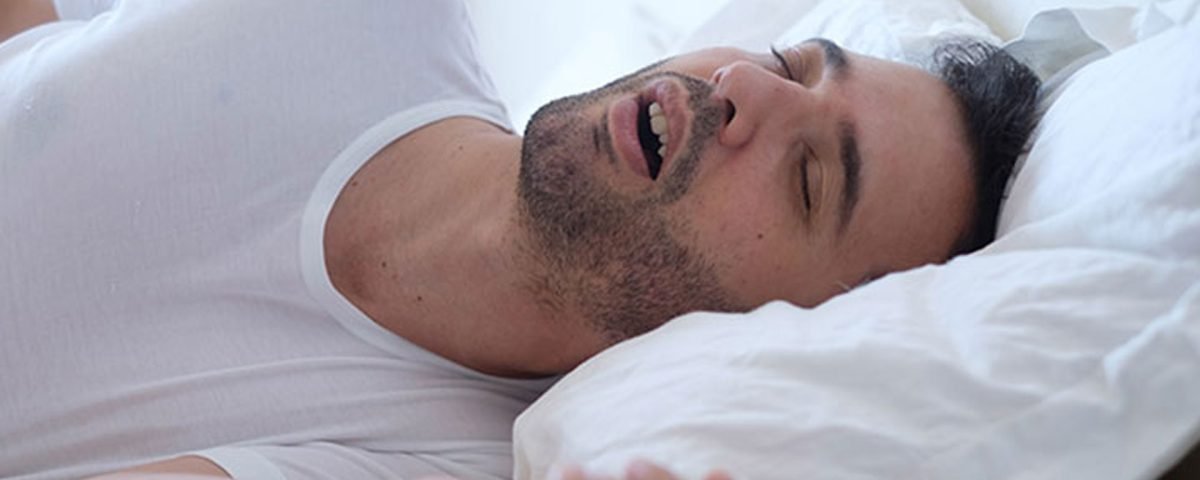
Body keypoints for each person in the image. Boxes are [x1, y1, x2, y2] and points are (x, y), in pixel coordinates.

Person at [0, 0, 1039, 479]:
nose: (743, 90)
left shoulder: (436, 461)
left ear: (785, 332)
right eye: (787, 62)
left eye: (810, 180)